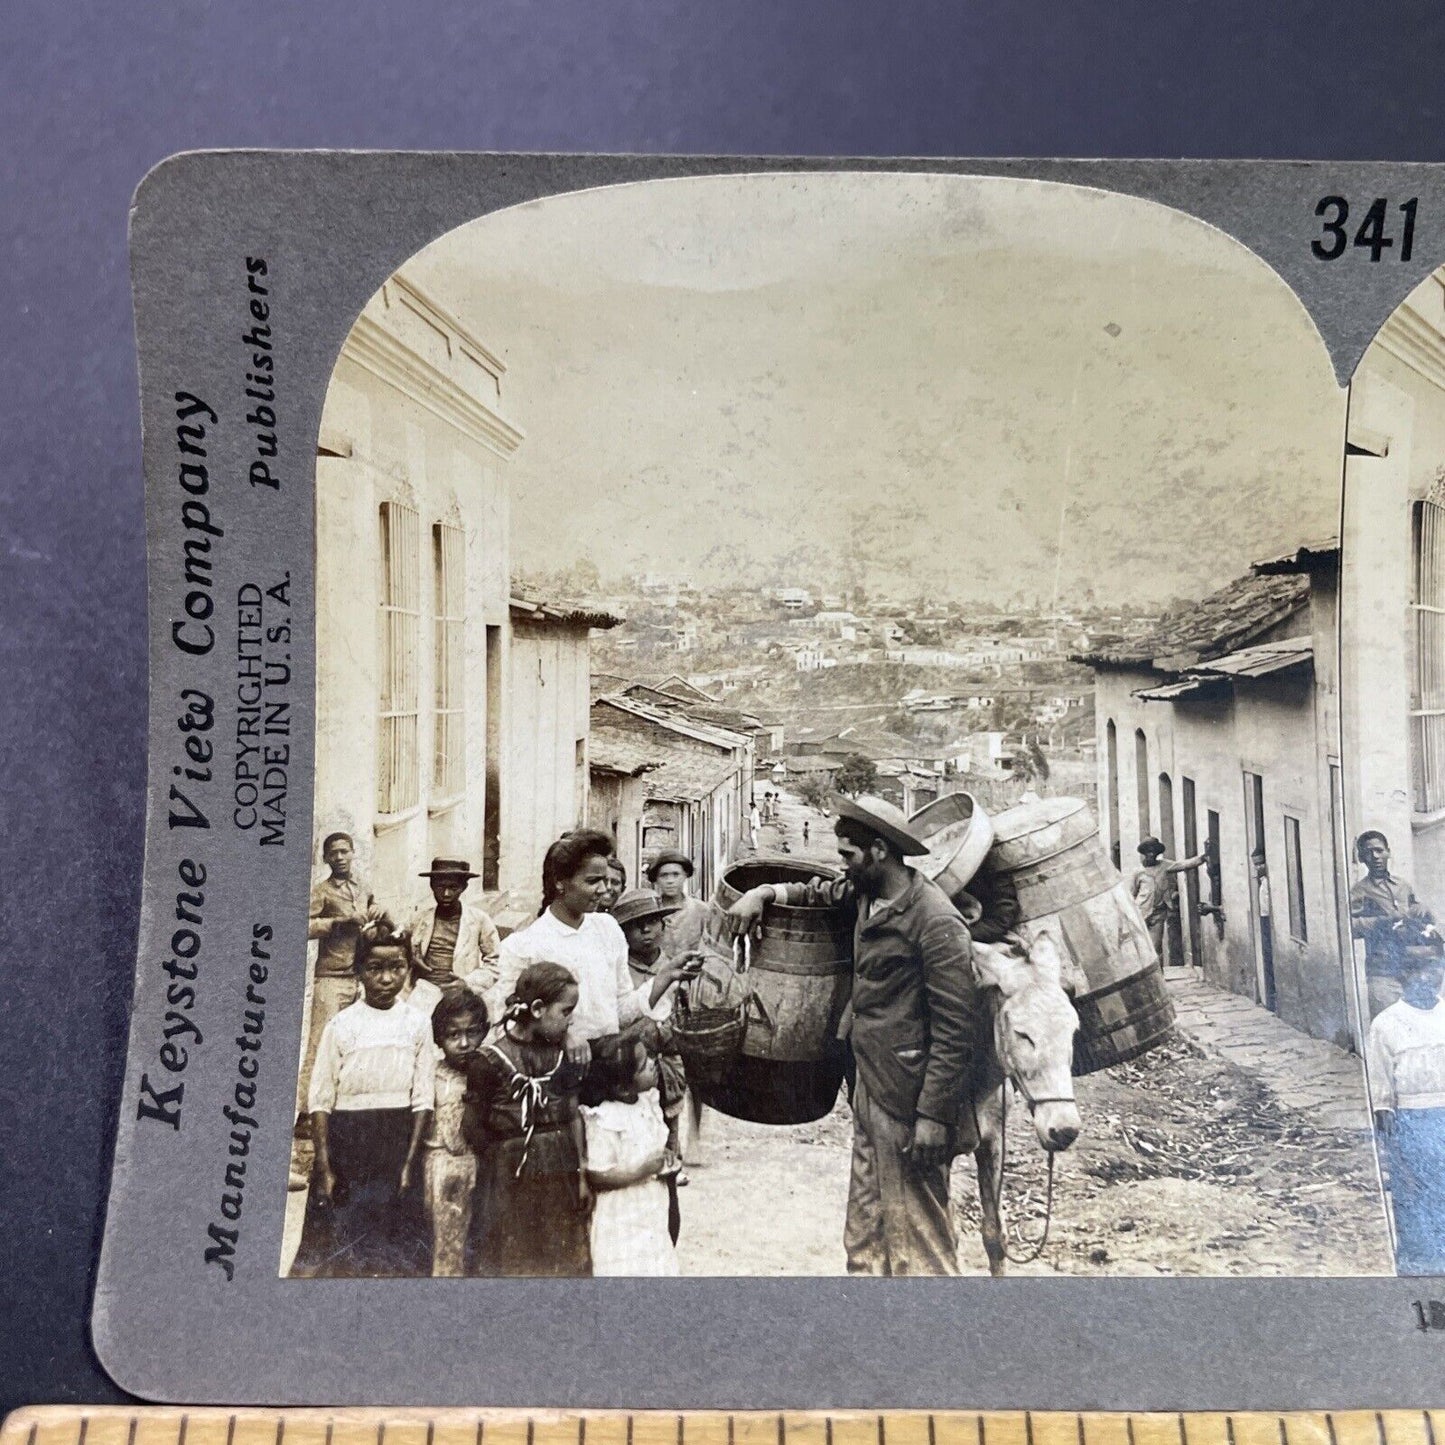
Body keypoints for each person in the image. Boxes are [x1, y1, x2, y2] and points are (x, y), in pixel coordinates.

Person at [724, 794, 980, 1276]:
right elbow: (818, 892)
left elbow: (955, 1030)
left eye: (847, 854)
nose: (842, 865)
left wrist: (933, 1116)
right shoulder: (866, 894)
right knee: (866, 1223)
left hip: (910, 1095)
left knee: (921, 1230)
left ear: (878, 850)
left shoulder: (935, 921)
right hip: (868, 1084)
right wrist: (765, 894)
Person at [294, 928, 433, 1278]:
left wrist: (409, 1163)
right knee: (339, 1241)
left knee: (394, 1247)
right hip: (348, 1143)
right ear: (358, 971)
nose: (386, 979)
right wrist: (324, 1165)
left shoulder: (416, 1023)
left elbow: (423, 1097)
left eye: (397, 968)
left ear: (408, 969)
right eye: (374, 968)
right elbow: (321, 1099)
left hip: (396, 1142)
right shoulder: (341, 1025)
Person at [494, 831, 698, 1065]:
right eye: (592, 881)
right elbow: (506, 1023)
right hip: (553, 1071)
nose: (603, 890)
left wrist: (666, 975)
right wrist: (561, 1035)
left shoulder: (608, 929)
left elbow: (620, 1012)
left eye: (604, 879)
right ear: (560, 882)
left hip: (608, 1065)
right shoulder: (524, 946)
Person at [464, 962, 591, 1276]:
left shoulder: (565, 1056)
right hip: (509, 1178)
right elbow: (473, 1127)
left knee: (560, 1260)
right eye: (566, 1012)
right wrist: (504, 1162)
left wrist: (582, 1174)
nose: (571, 1021)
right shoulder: (489, 1060)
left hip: (561, 1171)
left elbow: (573, 1113)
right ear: (537, 1009)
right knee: (511, 1259)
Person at [1367, 928, 1445, 1273]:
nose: (1431, 976)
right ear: (1402, 974)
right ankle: (1422, 1274)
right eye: (1420, 969)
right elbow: (1382, 1093)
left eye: (1438, 966)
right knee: (1416, 1200)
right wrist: (1391, 1149)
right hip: (1414, 1125)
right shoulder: (1387, 1024)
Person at [299, 832, 392, 1122]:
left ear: (353, 853)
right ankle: (304, 1113)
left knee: (355, 1044)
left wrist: (379, 910)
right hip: (331, 977)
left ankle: (341, 1108)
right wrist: (339, 923)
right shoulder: (322, 890)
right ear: (325, 858)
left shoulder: (362, 886)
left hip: (360, 978)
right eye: (333, 853)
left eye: (344, 852)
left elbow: (382, 918)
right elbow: (303, 927)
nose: (339, 858)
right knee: (320, 1043)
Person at [581, 1035, 681, 1276]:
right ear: (623, 1087)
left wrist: (664, 1156)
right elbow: (597, 1176)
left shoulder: (647, 1103)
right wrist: (642, 1170)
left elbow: (649, 1144)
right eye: (644, 1066)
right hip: (622, 1212)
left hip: (652, 1206)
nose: (653, 1065)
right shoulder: (605, 1118)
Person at [612, 887, 691, 1164]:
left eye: (652, 922)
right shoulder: (620, 972)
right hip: (633, 1065)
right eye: (635, 926)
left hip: (669, 1058)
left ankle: (672, 1159)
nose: (645, 930)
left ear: (663, 925)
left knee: (670, 1114)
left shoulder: (675, 966)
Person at [422, 989, 488, 1277]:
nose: (464, 1043)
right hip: (439, 1167)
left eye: (472, 1033)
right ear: (439, 1038)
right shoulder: (431, 1074)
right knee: (444, 1241)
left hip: (478, 1165)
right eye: (453, 1035)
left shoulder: (489, 1072)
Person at [1352, 830, 1436, 1018]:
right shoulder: (1360, 891)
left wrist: (1422, 908)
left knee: (1415, 1024)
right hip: (1382, 972)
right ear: (1361, 858)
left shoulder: (1402, 885)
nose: (1375, 856)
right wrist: (1379, 922)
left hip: (1412, 969)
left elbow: (1418, 914)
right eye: (1368, 852)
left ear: (1388, 852)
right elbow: (1350, 927)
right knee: (1387, 1023)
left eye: (1379, 850)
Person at [404, 857, 501, 1014]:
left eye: (453, 887)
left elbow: (496, 963)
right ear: (432, 886)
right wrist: (411, 955)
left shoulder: (479, 920)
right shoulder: (418, 919)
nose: (446, 894)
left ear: (463, 887)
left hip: (461, 1000)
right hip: (423, 997)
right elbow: (397, 944)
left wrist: (468, 983)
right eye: (440, 887)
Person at [1130, 837, 1209, 967]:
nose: (1151, 855)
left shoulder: (1164, 866)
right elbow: (1131, 894)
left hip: (1158, 913)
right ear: (1144, 853)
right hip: (1141, 913)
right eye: (1148, 852)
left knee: (1156, 947)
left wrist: (1202, 858)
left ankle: (1159, 977)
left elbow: (1183, 865)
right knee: (1141, 947)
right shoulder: (1138, 872)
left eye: (1154, 852)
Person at [648, 848, 714, 960]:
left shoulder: (701, 910)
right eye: (664, 875)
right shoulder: (650, 911)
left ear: (685, 876)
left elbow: (710, 949)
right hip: (659, 974)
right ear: (656, 880)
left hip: (693, 973)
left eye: (676, 874)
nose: (670, 881)